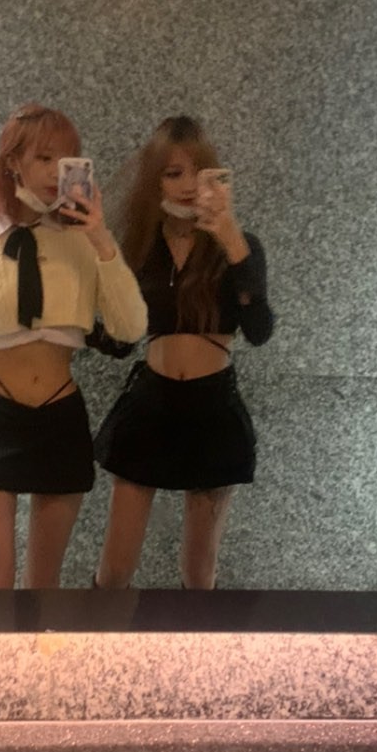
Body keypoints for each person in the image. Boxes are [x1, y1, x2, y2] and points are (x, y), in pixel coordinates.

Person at [0, 103, 147, 589]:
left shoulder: (84, 245)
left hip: (60, 416)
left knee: (43, 587)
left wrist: (101, 238)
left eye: (67, 159)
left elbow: (130, 327)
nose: (56, 172)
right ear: (13, 162)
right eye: (44, 158)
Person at [94, 114, 274, 590]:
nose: (189, 185)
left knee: (199, 572)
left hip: (212, 409)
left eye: (200, 171)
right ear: (156, 181)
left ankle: (198, 641)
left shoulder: (240, 247)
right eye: (174, 173)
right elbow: (121, 342)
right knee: (115, 569)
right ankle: (101, 638)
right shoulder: (142, 249)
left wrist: (232, 240)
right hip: (149, 407)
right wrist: (69, 322)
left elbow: (259, 330)